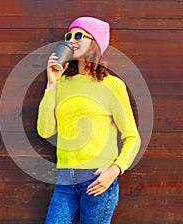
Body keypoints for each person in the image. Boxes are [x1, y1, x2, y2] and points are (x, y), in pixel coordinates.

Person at [37, 16, 141, 224]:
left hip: (97, 181)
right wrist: (51, 86)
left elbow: (132, 136)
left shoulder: (112, 85)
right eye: (68, 36)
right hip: (65, 181)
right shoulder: (61, 83)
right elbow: (45, 130)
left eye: (78, 35)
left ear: (95, 42)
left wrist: (114, 170)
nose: (71, 40)